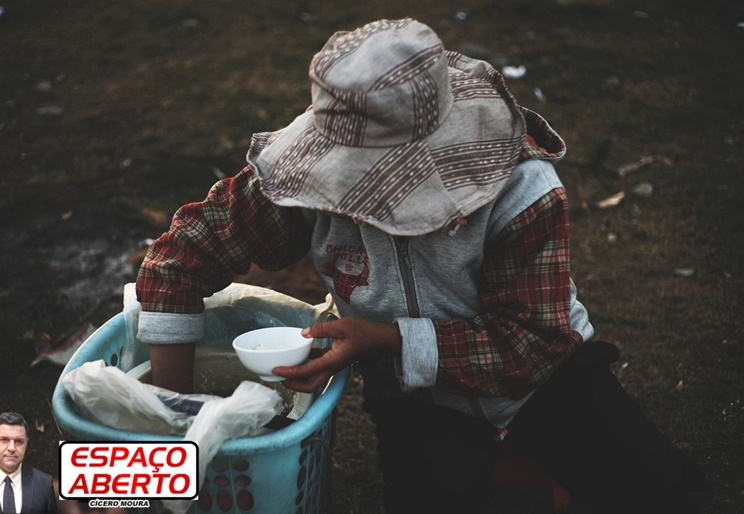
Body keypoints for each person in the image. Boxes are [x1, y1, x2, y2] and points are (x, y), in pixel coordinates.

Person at [135, 18, 708, 512]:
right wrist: (177, 424)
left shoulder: (525, 190)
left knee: (669, 499)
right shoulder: (305, 182)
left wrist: (383, 340)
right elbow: (177, 263)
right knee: (436, 498)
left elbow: (530, 343)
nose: (360, 207)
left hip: (545, 380)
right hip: (419, 398)